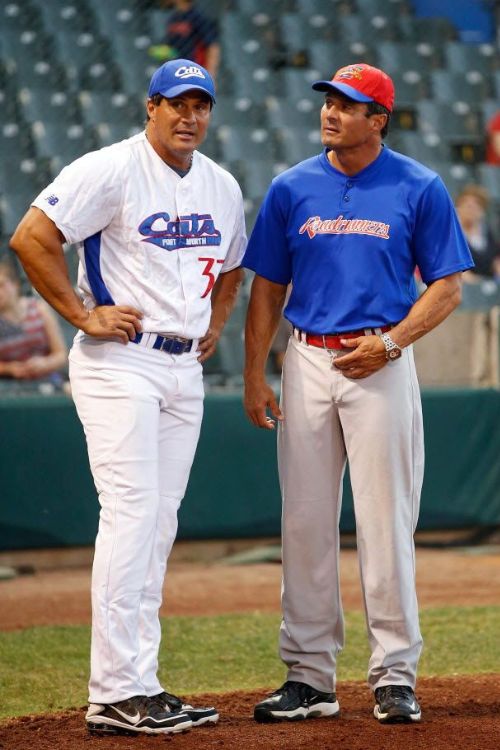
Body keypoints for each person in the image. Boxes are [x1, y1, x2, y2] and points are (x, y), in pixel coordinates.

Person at [10, 58, 246, 736]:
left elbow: (232, 266)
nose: (189, 116)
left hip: (182, 371)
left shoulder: (222, 185)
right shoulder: (110, 168)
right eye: (176, 103)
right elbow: (31, 237)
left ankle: (140, 683)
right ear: (151, 107)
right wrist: (81, 317)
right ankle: (114, 692)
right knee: (134, 516)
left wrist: (216, 324)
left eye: (200, 105)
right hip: (120, 365)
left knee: (158, 527)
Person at [242, 63, 473, 726]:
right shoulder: (292, 187)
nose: (331, 112)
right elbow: (267, 289)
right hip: (308, 360)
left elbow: (448, 287)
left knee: (385, 522)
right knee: (305, 525)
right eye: (330, 101)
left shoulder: (418, 186)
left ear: (379, 119)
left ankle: (394, 673)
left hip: (380, 359)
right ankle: (309, 677)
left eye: (349, 104)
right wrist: (257, 373)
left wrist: (394, 342)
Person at [0, 258, 67, 383]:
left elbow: (61, 355)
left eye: (2, 285)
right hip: (10, 385)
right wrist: (10, 369)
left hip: (49, 380)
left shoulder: (40, 309)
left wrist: (44, 363)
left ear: (15, 285)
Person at [150, 0, 220, 80]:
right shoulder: (173, 19)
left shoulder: (197, 18)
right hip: (177, 71)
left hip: (195, 71)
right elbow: (172, 48)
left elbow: (212, 47)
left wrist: (211, 75)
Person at [455, 184, 500, 281]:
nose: (471, 210)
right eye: (467, 205)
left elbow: (495, 259)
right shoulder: (450, 230)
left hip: (486, 283)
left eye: (476, 206)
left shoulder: (486, 231)